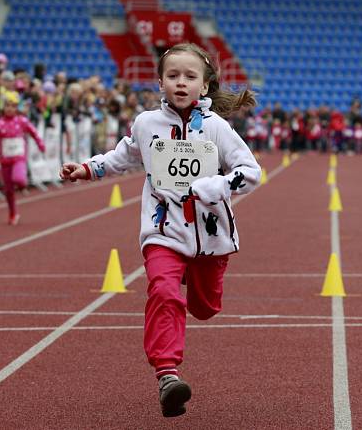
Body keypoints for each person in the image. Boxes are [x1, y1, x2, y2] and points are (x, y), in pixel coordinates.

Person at [59, 43, 260, 417]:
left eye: (189, 76)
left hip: (210, 236)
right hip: (162, 230)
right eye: (172, 76)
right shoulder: (146, 124)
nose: (180, 83)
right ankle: (167, 374)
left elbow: (250, 173)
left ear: (204, 86)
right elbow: (123, 156)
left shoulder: (218, 128)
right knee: (164, 291)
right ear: (160, 83)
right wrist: (87, 168)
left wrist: (219, 185)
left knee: (205, 307)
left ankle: (194, 293)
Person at [0, 90, 46, 225]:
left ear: (17, 107)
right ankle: (13, 213)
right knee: (8, 190)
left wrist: (40, 144)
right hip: (5, 160)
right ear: (3, 107)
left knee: (18, 178)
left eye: (13, 106)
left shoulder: (22, 121)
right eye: (7, 106)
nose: (10, 109)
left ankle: (23, 183)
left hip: (19, 158)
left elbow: (33, 132)